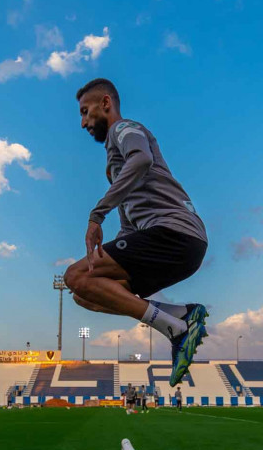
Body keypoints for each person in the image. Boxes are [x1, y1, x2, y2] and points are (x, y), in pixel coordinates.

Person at [63, 78, 210, 387]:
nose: (82, 123)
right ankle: (182, 314)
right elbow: (130, 225)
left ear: (105, 104)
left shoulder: (124, 128)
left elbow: (141, 159)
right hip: (175, 244)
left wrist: (96, 215)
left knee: (74, 276)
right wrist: (116, 241)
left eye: (85, 111)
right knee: (84, 293)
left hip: (174, 233)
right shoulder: (113, 162)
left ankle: (176, 329)